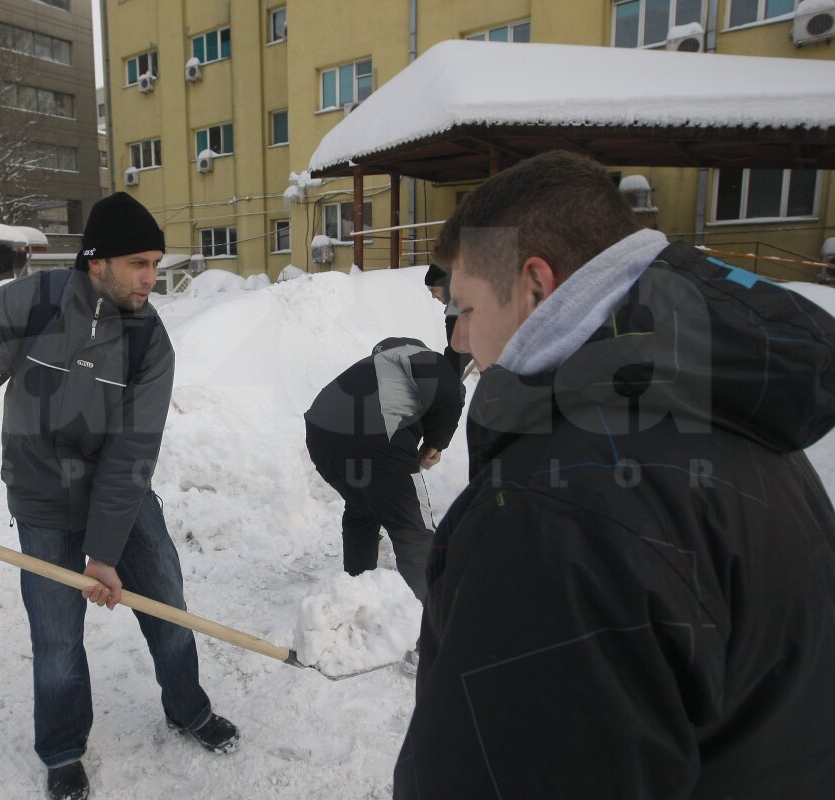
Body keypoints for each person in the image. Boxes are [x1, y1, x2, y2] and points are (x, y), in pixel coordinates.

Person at [394, 151, 835, 798]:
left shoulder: (555, 510)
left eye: (463, 308)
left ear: (535, 285)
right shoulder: (734, 414)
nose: (459, 341)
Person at [0, 192, 239, 800]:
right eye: (139, 264)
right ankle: (63, 750)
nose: (152, 279)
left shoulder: (149, 341)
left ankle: (188, 708)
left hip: (122, 501)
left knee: (169, 610)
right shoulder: (27, 307)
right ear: (96, 262)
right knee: (55, 642)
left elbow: (132, 454)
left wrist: (104, 552)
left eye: (156, 263)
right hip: (42, 504)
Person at [304, 337, 464, 604]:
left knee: (362, 507)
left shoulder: (376, 366)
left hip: (320, 435)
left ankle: (356, 592)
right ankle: (441, 614)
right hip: (377, 440)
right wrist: (436, 443)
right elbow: (450, 392)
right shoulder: (429, 359)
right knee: (412, 529)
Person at [423, 264, 469, 375]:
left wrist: (447, 379)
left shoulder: (457, 309)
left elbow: (457, 351)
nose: (433, 296)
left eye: (434, 290)